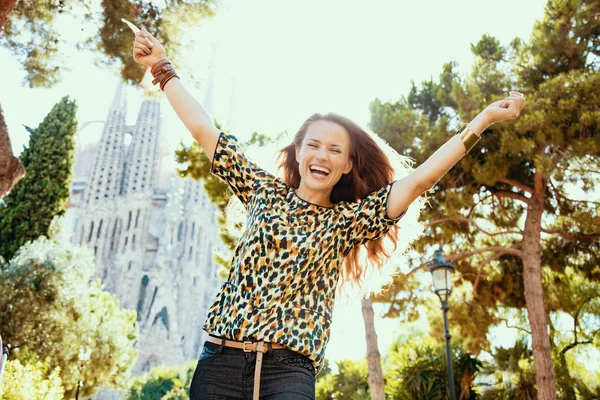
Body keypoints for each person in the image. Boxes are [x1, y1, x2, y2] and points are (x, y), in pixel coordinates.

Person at [132, 27, 525, 400]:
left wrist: (484, 120)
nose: (322, 155)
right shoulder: (262, 191)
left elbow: (419, 181)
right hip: (220, 364)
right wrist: (161, 68)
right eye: (314, 145)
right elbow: (204, 130)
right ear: (298, 152)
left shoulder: (347, 221)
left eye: (335, 150)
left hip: (288, 372)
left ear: (349, 165)